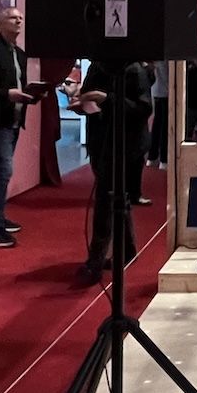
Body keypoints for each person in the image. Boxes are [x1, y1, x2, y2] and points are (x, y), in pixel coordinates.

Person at [71, 61, 131, 287]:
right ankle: (128, 250)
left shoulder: (131, 68)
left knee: (106, 201)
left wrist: (107, 99)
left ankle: (94, 262)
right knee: (116, 197)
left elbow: (142, 108)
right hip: (99, 140)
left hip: (122, 144)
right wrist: (80, 102)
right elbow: (89, 98)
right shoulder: (96, 65)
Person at [0, 8, 38, 250]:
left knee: (2, 172)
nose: (19, 20)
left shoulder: (20, 53)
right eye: (12, 17)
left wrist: (33, 94)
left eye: (21, 17)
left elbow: (21, 85)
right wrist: (7, 95)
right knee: (3, 171)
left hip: (15, 120)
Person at [123, 61, 155, 206]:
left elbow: (144, 105)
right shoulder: (135, 69)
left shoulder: (136, 70)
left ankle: (132, 193)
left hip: (132, 125)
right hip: (130, 124)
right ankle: (131, 194)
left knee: (134, 161)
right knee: (132, 162)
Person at [148, 58, 170, 168]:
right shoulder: (165, 59)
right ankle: (163, 159)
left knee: (157, 126)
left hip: (156, 92)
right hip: (166, 94)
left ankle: (152, 157)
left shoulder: (154, 59)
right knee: (164, 128)